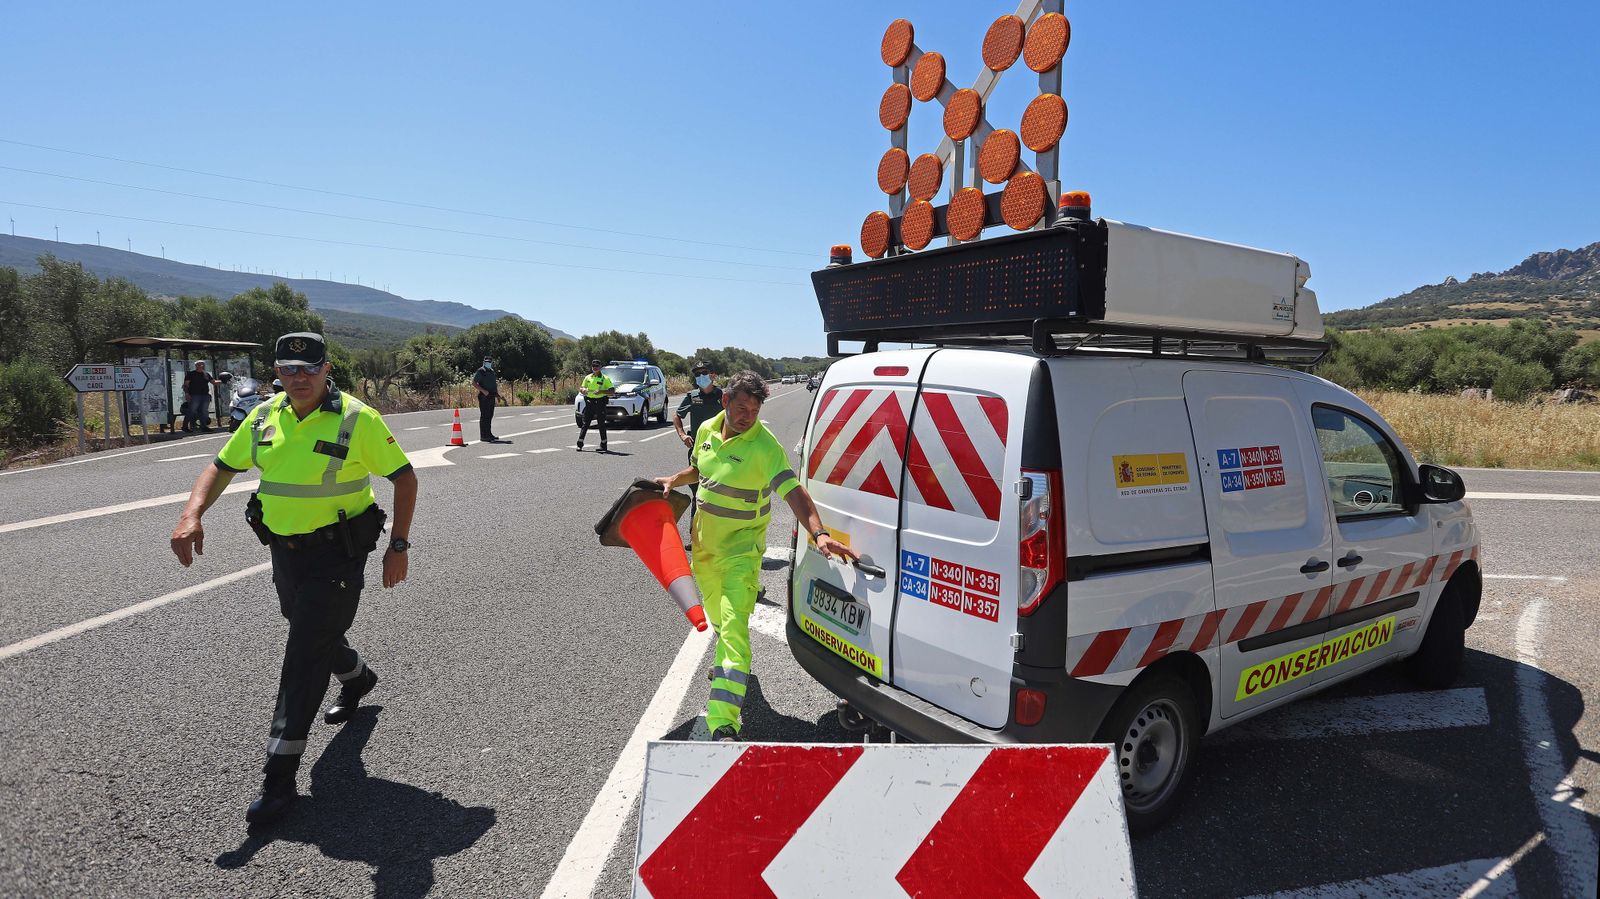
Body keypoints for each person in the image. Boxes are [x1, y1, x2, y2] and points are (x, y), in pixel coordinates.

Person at [168, 331, 418, 826]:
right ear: (276, 373)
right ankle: (357, 676)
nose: (298, 378)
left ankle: (278, 780)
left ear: (327, 369)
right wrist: (191, 514)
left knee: (303, 654)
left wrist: (399, 545)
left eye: (308, 369)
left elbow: (405, 477)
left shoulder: (358, 418)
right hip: (284, 551)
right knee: (306, 628)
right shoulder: (263, 416)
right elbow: (219, 468)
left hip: (338, 555)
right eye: (287, 369)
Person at [654, 370, 856, 742]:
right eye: (742, 407)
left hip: (742, 555)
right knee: (720, 621)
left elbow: (793, 492)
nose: (748, 416)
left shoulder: (765, 447)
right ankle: (735, 669)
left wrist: (820, 533)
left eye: (755, 410)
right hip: (704, 552)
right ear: (726, 401)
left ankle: (724, 722)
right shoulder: (706, 431)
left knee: (733, 629)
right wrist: (673, 479)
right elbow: (699, 470)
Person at [673, 361, 722, 522]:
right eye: (697, 374)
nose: (701, 377)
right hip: (697, 452)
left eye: (704, 373)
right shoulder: (692, 396)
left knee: (717, 492)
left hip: (719, 452)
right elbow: (677, 416)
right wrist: (682, 435)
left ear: (713, 375)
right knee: (697, 493)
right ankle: (695, 537)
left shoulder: (723, 397)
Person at [576, 359, 614, 452]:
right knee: (585, 424)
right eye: (593, 366)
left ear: (600, 367)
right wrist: (583, 390)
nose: (595, 368)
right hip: (589, 402)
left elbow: (612, 391)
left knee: (601, 424)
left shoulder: (605, 378)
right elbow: (581, 387)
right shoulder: (588, 377)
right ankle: (580, 444)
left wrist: (601, 391)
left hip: (600, 403)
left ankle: (603, 445)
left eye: (597, 366)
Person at [473, 357, 508, 444]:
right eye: (487, 362)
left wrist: (497, 395)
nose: (488, 363)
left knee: (490, 415)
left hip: (492, 395)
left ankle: (489, 434)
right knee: (484, 416)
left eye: (490, 362)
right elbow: (474, 383)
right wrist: (483, 391)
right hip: (484, 396)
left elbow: (493, 385)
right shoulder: (481, 371)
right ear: (484, 362)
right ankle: (484, 436)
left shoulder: (491, 371)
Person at [182, 361, 218, 433]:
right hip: (194, 395)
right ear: (196, 366)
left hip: (205, 395)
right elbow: (185, 385)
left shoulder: (206, 374)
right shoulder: (191, 374)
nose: (202, 366)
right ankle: (185, 426)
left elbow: (214, 382)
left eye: (203, 364)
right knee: (191, 411)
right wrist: (187, 394)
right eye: (200, 364)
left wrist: (223, 380)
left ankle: (204, 427)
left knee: (204, 412)